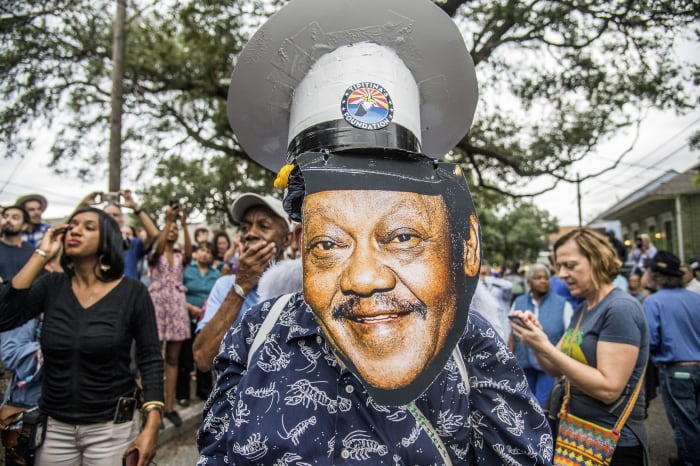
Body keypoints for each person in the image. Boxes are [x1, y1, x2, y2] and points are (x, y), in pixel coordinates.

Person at [198, 0, 551, 463]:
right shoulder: (257, 331)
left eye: (402, 235)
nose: (365, 276)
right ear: (301, 240)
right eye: (329, 241)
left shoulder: (470, 344)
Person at [0, 207, 164, 466]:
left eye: (88, 227)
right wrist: (41, 255)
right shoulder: (51, 286)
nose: (75, 230)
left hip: (112, 429)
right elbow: (4, 316)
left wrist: (152, 427)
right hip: (55, 429)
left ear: (107, 240)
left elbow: (151, 359)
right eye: (72, 225)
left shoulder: (132, 292)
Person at [511, 227, 649, 464]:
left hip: (614, 443)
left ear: (597, 259)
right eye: (559, 267)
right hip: (577, 434)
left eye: (570, 265)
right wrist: (534, 339)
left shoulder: (620, 309)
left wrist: (545, 347)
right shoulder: (583, 309)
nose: (561, 275)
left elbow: (608, 389)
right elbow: (554, 369)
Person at [192, 193, 292, 372]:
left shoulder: (299, 287)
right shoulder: (225, 286)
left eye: (263, 226)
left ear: (287, 239)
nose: (250, 234)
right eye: (245, 228)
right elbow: (202, 359)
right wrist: (241, 286)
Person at [642, 251, 700, 466]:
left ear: (655, 275)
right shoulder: (696, 298)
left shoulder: (653, 302)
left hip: (677, 370)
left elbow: (651, 341)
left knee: (685, 425)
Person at [148, 203, 192, 427]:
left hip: (176, 307)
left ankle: (169, 406)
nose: (173, 232)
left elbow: (190, 252)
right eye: (170, 229)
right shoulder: (154, 254)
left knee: (172, 358)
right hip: (156, 305)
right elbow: (156, 250)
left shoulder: (180, 255)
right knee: (153, 357)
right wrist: (168, 219)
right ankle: (151, 407)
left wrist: (183, 223)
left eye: (176, 230)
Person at [510, 262, 573, 406]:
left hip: (549, 363)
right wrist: (509, 358)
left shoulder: (562, 304)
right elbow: (511, 333)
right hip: (524, 362)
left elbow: (569, 334)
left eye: (546, 278)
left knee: (544, 402)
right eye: (538, 278)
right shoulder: (519, 302)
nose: (543, 281)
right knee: (525, 400)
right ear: (529, 282)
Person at [77, 190, 160, 280]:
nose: (111, 217)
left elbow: (154, 234)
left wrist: (136, 208)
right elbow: (67, 232)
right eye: (107, 214)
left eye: (115, 215)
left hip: (127, 292)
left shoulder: (131, 245)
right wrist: (83, 205)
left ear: (122, 220)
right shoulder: (91, 243)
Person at [177, 241, 219, 405]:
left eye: (209, 251)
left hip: (206, 321)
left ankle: (205, 392)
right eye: (202, 250)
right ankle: (183, 395)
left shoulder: (215, 274)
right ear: (196, 253)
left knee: (204, 354)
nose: (205, 254)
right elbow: (178, 291)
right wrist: (189, 307)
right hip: (186, 318)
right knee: (185, 357)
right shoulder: (187, 270)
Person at [0, 206, 33, 285]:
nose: (8, 220)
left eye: (15, 218)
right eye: (5, 216)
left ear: (24, 226)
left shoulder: (33, 253)